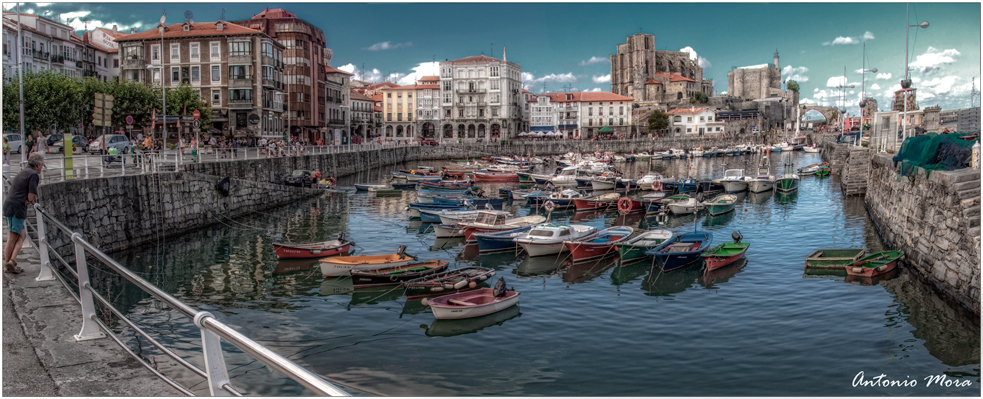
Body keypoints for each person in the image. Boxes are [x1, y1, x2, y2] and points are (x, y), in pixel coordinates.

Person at [4, 153, 44, 274]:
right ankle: (7, 266)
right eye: (42, 165)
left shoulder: (24, 171)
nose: (42, 168)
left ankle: (12, 261)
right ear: (37, 165)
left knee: (22, 235)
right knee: (12, 236)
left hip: (10, 205)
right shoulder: (33, 175)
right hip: (16, 208)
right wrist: (30, 199)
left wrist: (28, 199)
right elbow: (31, 195)